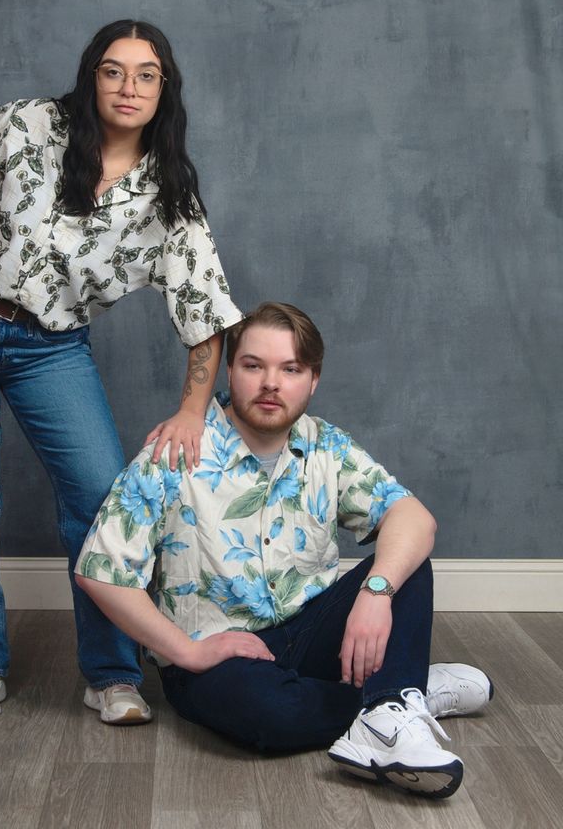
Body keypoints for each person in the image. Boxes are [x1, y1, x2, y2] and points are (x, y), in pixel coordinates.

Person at [0, 20, 243, 723]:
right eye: (113, 70)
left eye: (146, 74)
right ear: (92, 76)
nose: (128, 86)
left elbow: (205, 308)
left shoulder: (169, 196)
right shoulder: (35, 123)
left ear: (163, 90)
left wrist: (191, 410)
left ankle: (112, 674)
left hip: (49, 350)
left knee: (98, 502)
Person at [75, 302, 493, 798]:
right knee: (270, 718)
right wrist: (187, 651)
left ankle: (391, 713)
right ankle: (405, 694)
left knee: (405, 561)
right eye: (254, 366)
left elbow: (413, 518)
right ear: (230, 370)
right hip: (219, 657)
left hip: (311, 633)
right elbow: (99, 570)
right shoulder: (177, 451)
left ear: (312, 380)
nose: (271, 383)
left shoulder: (327, 447)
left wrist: (376, 592)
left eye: (290, 369)